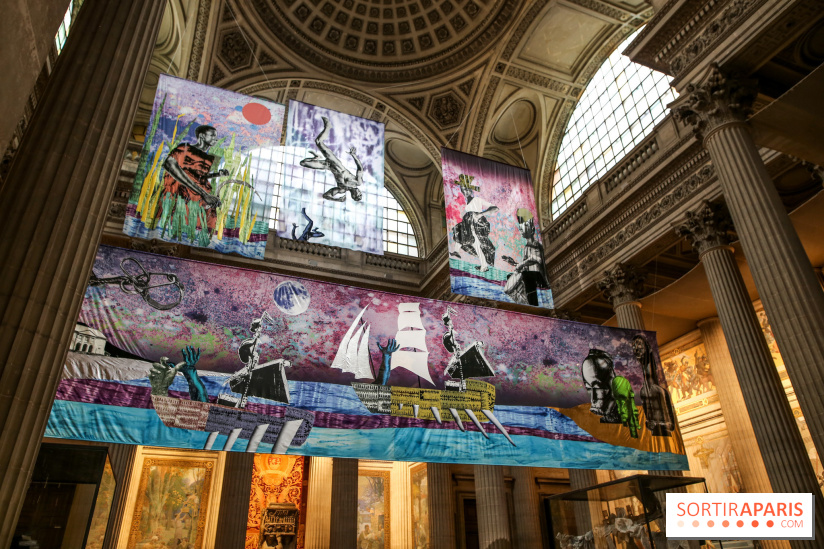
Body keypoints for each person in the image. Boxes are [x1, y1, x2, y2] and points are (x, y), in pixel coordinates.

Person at [160, 124, 228, 236]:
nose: (215, 139)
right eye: (212, 135)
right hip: (183, 194)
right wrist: (203, 194)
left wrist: (217, 174)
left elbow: (199, 175)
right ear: (202, 136)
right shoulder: (185, 149)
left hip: (199, 195)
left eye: (216, 137)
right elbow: (170, 165)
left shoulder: (208, 158)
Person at [300, 116, 364, 202]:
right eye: (360, 194)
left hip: (328, 166)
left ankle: (317, 157)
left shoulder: (342, 189)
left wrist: (337, 200)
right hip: (335, 162)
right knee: (318, 142)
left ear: (353, 196)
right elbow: (360, 169)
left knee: (303, 163)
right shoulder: (357, 182)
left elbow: (326, 195)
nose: (359, 192)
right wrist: (354, 156)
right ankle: (328, 126)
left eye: (358, 195)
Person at [450, 175, 498, 272]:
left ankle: (484, 266)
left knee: (477, 244)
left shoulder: (477, 200)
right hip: (468, 225)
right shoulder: (467, 202)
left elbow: (495, 208)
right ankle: (482, 265)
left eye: (467, 189)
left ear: (471, 190)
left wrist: (480, 214)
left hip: (476, 224)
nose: (465, 192)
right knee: (474, 243)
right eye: (463, 190)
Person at [633, 334, 676, 436]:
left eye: (638, 345)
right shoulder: (643, 391)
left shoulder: (661, 392)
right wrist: (649, 424)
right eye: (634, 346)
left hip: (664, 435)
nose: (636, 348)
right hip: (655, 436)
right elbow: (648, 420)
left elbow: (671, 425)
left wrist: (658, 424)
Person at [503, 211, 549, 306]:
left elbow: (538, 259)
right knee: (510, 277)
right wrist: (514, 263)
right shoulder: (526, 248)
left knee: (525, 275)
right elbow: (526, 265)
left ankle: (531, 300)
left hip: (538, 277)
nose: (521, 228)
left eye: (525, 224)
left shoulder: (535, 244)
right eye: (521, 225)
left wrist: (522, 264)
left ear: (532, 229)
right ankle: (523, 301)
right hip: (530, 275)